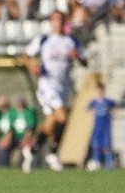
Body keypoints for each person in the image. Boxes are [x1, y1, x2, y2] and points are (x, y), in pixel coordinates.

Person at [22, 10, 88, 171]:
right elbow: (25, 56)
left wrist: (77, 56)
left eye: (60, 19)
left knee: (50, 125)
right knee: (63, 116)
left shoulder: (71, 41)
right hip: (47, 86)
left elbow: (85, 62)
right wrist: (32, 67)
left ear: (64, 22)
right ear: (51, 22)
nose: (57, 22)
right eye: (54, 19)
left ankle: (32, 149)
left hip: (63, 87)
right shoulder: (44, 40)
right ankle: (52, 152)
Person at [86, 82, 122, 170]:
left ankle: (109, 165)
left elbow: (117, 106)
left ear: (103, 91)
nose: (99, 92)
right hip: (97, 126)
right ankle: (95, 162)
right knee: (96, 145)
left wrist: (113, 111)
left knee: (106, 146)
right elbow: (86, 108)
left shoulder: (108, 101)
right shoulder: (94, 102)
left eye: (101, 90)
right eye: (98, 90)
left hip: (106, 126)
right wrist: (92, 111)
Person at [11, 97, 38, 173]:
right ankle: (1, 166)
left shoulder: (29, 112)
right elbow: (10, 128)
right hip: (15, 137)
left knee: (28, 148)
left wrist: (26, 138)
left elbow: (30, 127)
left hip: (26, 137)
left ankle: (27, 164)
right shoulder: (12, 113)